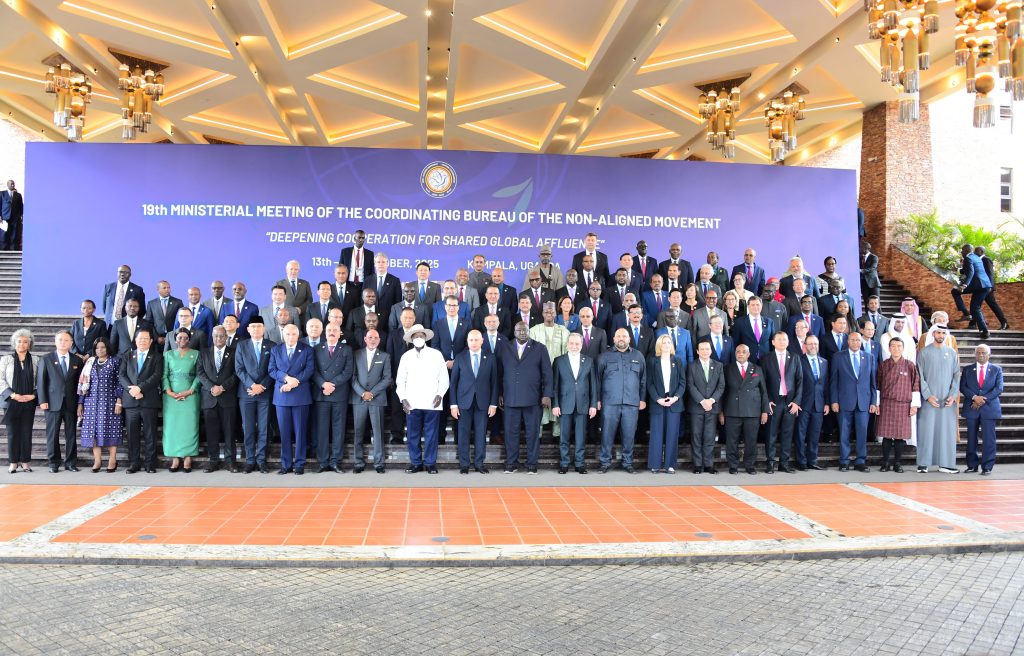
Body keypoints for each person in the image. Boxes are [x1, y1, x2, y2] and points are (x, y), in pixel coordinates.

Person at [497, 322, 552, 473]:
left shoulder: (540, 348)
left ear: (529, 331)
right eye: (519, 330)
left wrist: (547, 394)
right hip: (510, 398)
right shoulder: (505, 347)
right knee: (510, 433)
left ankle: (532, 465)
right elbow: (499, 373)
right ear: (514, 331)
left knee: (533, 433)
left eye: (525, 330)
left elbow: (547, 373)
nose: (522, 332)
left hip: (533, 399)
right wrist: (500, 393)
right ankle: (511, 463)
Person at [396, 324, 449, 474]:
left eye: (421, 335)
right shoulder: (406, 357)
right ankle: (416, 462)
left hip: (432, 401)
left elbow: (444, 378)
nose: (418, 338)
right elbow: (401, 380)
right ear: (411, 339)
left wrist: (440, 394)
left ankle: (430, 463)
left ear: (425, 337)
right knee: (413, 434)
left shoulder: (436, 354)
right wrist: (403, 399)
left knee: (432, 434)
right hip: (412, 402)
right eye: (416, 336)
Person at [597, 328, 646, 474]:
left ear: (629, 339)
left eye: (624, 336)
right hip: (610, 403)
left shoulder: (638, 356)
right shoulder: (604, 356)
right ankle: (605, 462)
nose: (621, 338)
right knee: (607, 433)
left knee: (629, 434)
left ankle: (627, 462)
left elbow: (643, 380)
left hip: (631, 403)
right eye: (618, 335)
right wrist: (598, 400)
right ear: (613, 339)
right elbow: (597, 380)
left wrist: (642, 399)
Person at [449, 329, 497, 474]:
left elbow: (494, 382)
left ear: (482, 341)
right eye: (471, 340)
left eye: (476, 340)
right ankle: (464, 464)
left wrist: (493, 403)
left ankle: (479, 463)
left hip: (483, 402)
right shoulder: (460, 357)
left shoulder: (490, 357)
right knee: (463, 433)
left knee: (481, 434)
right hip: (463, 402)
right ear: (467, 341)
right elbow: (453, 383)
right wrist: (453, 404)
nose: (474, 342)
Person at [269, 324, 314, 475]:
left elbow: (309, 370)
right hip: (282, 396)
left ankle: (300, 463)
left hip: (300, 395)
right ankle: (286, 464)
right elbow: (272, 369)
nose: (290, 337)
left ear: (298, 335)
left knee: (300, 432)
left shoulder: (306, 349)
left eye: (293, 334)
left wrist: (294, 383)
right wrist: (286, 378)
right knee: (284, 432)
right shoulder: (276, 349)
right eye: (287, 334)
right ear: (283, 335)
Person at [829, 331, 877, 472]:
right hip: (844, 401)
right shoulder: (838, 357)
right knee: (844, 432)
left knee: (862, 432)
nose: (856, 342)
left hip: (864, 401)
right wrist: (834, 401)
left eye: (858, 340)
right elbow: (833, 381)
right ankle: (844, 461)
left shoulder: (869, 357)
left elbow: (873, 382)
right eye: (853, 340)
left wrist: (874, 401)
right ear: (847, 341)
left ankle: (860, 461)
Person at [916, 325, 961, 473]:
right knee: (926, 430)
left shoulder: (952, 353)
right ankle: (923, 463)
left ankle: (946, 464)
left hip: (947, 401)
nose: (940, 335)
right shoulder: (923, 352)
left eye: (943, 333)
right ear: (933, 333)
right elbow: (919, 376)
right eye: (938, 332)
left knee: (946, 431)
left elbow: (956, 376)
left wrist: (953, 395)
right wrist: (928, 395)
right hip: (929, 400)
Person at [37, 331, 83, 473]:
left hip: (71, 403)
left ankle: (70, 463)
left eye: (66, 340)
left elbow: (79, 384)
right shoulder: (46, 359)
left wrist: (80, 403)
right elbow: (41, 381)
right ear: (55, 342)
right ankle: (53, 462)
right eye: (60, 340)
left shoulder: (77, 360)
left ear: (71, 343)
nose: (63, 342)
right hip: (52, 403)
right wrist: (42, 400)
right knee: (53, 434)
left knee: (71, 434)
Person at [551, 333, 597, 475]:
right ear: (567, 344)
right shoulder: (559, 361)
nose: (574, 346)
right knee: (564, 436)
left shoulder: (589, 361)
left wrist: (593, 405)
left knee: (580, 436)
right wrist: (555, 404)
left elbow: (593, 385)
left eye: (577, 344)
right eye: (571, 343)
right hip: (565, 404)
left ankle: (579, 463)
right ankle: (564, 463)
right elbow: (555, 385)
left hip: (583, 404)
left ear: (581, 345)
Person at [720, 343, 769, 475]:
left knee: (751, 440)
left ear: (748, 354)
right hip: (732, 410)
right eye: (738, 351)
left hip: (752, 411)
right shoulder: (727, 369)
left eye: (743, 351)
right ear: (735, 354)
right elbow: (722, 392)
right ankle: (733, 465)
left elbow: (764, 391)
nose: (740, 354)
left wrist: (764, 411)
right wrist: (721, 412)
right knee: (732, 440)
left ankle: (750, 465)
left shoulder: (757, 369)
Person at [118, 328, 162, 474]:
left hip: (149, 400)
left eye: (145, 338)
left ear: (150, 341)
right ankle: (134, 463)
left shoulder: (157, 357)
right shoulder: (127, 356)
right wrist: (132, 390)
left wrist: (140, 389)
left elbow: (156, 376)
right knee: (132, 434)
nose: (142, 341)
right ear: (135, 341)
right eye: (139, 338)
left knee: (150, 434)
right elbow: (122, 375)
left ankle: (150, 463)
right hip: (131, 401)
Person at [235, 316, 275, 473]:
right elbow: (239, 369)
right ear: (248, 329)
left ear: (264, 328)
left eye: (259, 326)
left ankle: (261, 460)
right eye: (253, 326)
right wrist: (252, 385)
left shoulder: (271, 346)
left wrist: (262, 386)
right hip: (247, 393)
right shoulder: (241, 346)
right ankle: (250, 460)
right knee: (249, 428)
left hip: (265, 393)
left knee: (264, 428)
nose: (256, 329)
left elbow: (273, 369)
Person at [76, 337, 122, 473]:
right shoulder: (91, 362)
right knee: (93, 432)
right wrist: (80, 403)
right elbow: (83, 383)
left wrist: (119, 401)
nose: (99, 350)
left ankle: (112, 460)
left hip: (109, 401)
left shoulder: (115, 361)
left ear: (107, 347)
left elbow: (120, 382)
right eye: (97, 348)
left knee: (111, 430)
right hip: (91, 402)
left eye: (102, 347)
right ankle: (97, 461)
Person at [196, 326, 238, 473]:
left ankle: (230, 461)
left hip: (228, 398)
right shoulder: (203, 353)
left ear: (226, 337)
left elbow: (236, 373)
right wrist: (212, 387)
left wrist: (223, 387)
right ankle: (213, 461)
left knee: (229, 432)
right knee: (211, 432)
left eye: (221, 336)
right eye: (216, 336)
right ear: (212, 337)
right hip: (209, 398)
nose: (218, 339)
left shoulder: (234, 352)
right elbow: (200, 373)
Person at [876, 337, 920, 473]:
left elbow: (916, 385)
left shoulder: (910, 365)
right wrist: (877, 403)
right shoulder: (883, 365)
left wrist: (914, 405)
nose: (896, 349)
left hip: (903, 404)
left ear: (903, 348)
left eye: (899, 346)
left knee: (900, 436)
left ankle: (898, 463)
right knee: (886, 436)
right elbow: (877, 385)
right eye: (893, 346)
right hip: (886, 403)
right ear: (889, 348)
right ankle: (885, 462)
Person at [762, 332, 803, 473]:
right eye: (779, 339)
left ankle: (784, 463)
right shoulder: (766, 358)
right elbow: (763, 383)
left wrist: (797, 402)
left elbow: (800, 381)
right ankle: (770, 463)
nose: (782, 342)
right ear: (773, 342)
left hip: (790, 403)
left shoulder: (795, 358)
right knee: (771, 434)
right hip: (774, 402)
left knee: (787, 434)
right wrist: (766, 401)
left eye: (784, 339)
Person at [315, 323, 354, 472]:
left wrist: (332, 384)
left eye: (335, 330)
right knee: (322, 430)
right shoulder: (317, 349)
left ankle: (336, 461)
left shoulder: (347, 349)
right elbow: (314, 370)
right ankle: (323, 462)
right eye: (329, 330)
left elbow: (348, 371)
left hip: (339, 394)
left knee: (338, 429)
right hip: (322, 394)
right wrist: (323, 384)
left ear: (340, 333)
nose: (332, 332)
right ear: (325, 333)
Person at [961, 344, 1003, 475]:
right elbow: (963, 387)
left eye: (984, 353)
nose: (981, 355)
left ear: (989, 355)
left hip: (989, 409)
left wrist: (982, 399)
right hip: (972, 408)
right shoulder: (968, 369)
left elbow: (998, 388)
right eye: (978, 352)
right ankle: (972, 465)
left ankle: (987, 466)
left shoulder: (997, 370)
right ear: (975, 354)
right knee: (971, 438)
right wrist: (974, 397)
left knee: (989, 439)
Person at [351, 328, 390, 474]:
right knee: (358, 431)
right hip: (359, 399)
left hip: (377, 399)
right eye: (370, 337)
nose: (373, 340)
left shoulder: (385, 356)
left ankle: (379, 463)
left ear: (379, 340)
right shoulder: (357, 354)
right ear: (365, 339)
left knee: (378, 432)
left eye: (375, 337)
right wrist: (362, 393)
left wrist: (372, 393)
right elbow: (353, 377)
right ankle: (358, 462)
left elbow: (387, 378)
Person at [161, 328, 200, 472]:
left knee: (189, 426)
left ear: (189, 339)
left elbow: (199, 375)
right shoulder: (168, 354)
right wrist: (169, 391)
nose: (182, 340)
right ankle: (175, 458)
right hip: (171, 397)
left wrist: (190, 390)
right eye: (179, 338)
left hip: (191, 396)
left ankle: (188, 458)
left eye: (185, 338)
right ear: (175, 339)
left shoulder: (196, 354)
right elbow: (163, 375)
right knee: (172, 427)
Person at [530, 302, 570, 437]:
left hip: (558, 372)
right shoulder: (534, 330)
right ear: (542, 313)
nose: (549, 314)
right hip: (538, 372)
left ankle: (557, 431)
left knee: (558, 400)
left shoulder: (564, 330)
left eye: (552, 312)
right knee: (539, 400)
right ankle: (539, 432)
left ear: (555, 313)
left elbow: (567, 353)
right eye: (546, 312)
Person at [647, 334, 685, 473]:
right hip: (658, 402)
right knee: (656, 434)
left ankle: (670, 464)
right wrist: (658, 399)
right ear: (659, 345)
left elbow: (682, 382)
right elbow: (649, 383)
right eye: (664, 343)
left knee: (672, 434)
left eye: (669, 342)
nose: (667, 345)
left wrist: (675, 398)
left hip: (674, 402)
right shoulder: (652, 361)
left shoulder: (678, 361)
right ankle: (655, 464)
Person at [2, 329, 39, 473]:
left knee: (26, 432)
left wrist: (34, 395)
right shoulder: (6, 359)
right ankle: (13, 462)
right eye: (19, 341)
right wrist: (13, 395)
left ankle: (25, 462)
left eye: (25, 342)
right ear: (14, 343)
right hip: (11, 401)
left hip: (29, 401)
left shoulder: (36, 360)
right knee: (12, 432)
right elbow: (1, 380)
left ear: (30, 344)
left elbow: (40, 381)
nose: (22, 344)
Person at [686, 340, 724, 474]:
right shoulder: (691, 366)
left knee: (709, 437)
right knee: (696, 436)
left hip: (712, 408)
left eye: (707, 349)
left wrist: (712, 400)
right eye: (702, 349)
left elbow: (721, 386)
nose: (705, 351)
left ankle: (708, 464)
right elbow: (690, 385)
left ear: (711, 351)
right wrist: (702, 401)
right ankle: (697, 465)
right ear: (697, 351)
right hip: (697, 407)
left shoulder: (718, 366)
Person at [796, 336, 829, 471]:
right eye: (810, 344)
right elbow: (796, 382)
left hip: (819, 404)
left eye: (815, 343)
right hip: (803, 403)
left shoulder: (824, 362)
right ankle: (801, 461)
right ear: (805, 345)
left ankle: (812, 460)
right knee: (800, 433)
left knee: (815, 434)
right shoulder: (799, 360)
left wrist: (827, 402)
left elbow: (826, 384)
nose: (813, 346)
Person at [952, 244, 994, 339]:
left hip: (978, 285)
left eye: (962, 250)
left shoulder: (968, 258)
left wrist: (964, 285)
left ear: (966, 250)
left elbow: (971, 272)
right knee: (975, 307)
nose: (961, 252)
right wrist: (957, 270)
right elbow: (969, 270)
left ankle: (966, 314)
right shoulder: (975, 257)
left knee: (955, 291)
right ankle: (985, 331)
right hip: (985, 285)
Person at [971, 246, 1009, 330]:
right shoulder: (977, 261)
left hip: (987, 287)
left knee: (990, 305)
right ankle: (972, 324)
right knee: (975, 305)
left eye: (976, 251)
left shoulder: (986, 259)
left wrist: (990, 286)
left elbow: (990, 273)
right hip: (979, 287)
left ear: (981, 251)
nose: (974, 252)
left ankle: (1004, 323)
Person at [731, 296, 773, 364]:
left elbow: (772, 342)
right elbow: (736, 342)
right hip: (747, 360)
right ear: (748, 306)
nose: (755, 307)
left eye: (757, 305)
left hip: (766, 360)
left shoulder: (769, 322)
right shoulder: (740, 322)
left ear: (761, 306)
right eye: (753, 305)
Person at [146, 280, 184, 349]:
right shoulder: (151, 303)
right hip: (157, 342)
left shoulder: (178, 302)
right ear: (158, 289)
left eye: (168, 287)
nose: (167, 289)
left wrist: (173, 336)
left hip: (174, 340)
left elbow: (181, 321)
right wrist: (156, 338)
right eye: (164, 288)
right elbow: (148, 323)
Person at [364, 253, 402, 318]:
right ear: (375, 265)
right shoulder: (368, 280)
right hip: (370, 318)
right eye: (378, 262)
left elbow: (398, 302)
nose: (381, 264)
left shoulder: (395, 281)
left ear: (387, 264)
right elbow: (363, 300)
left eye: (383, 262)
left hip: (388, 317)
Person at [0, 179, 24, 251]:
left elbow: (21, 207)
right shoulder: (2, 194)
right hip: (5, 218)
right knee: (4, 234)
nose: (13, 185)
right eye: (11, 184)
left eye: (13, 184)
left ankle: (13, 249)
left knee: (14, 234)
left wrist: (21, 216)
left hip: (15, 218)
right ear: (7, 185)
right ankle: (3, 249)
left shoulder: (18, 195)